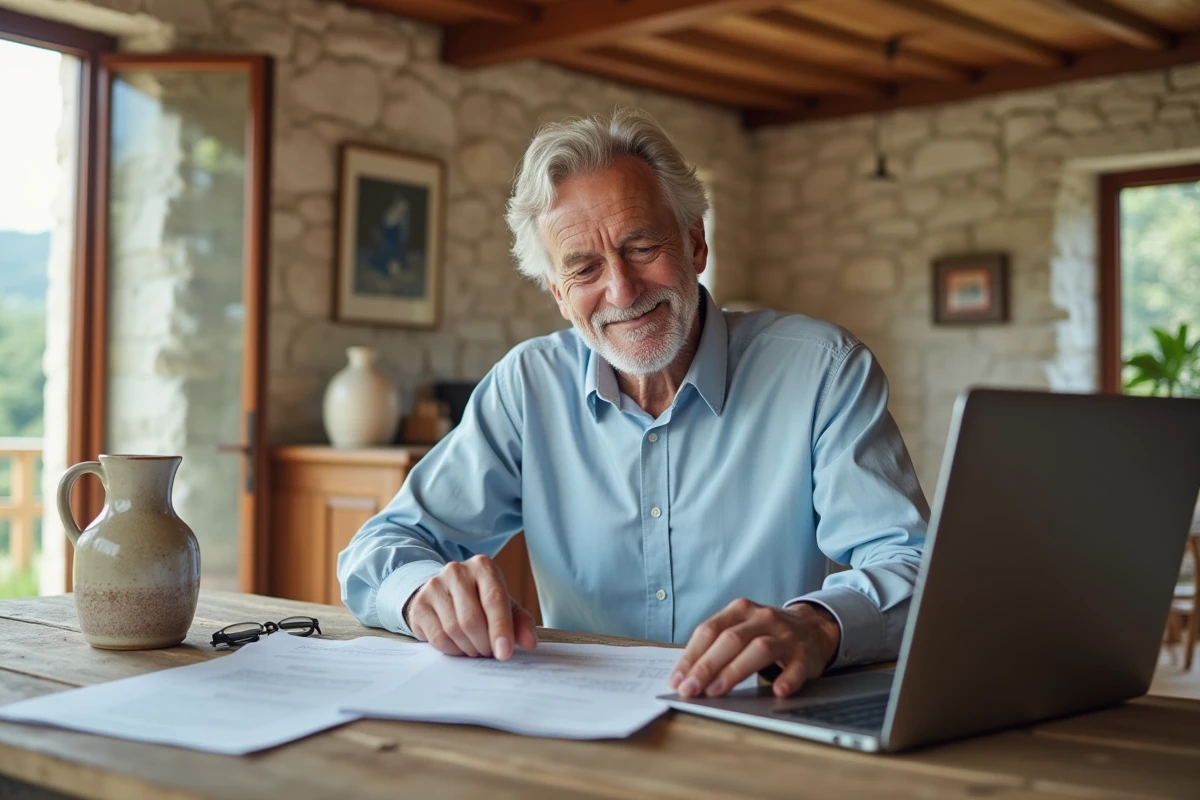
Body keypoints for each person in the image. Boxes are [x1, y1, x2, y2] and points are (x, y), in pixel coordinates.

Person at [338, 109, 928, 700]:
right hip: (577, 724)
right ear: (558, 294)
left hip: (762, 715)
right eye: (585, 268)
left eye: (642, 246)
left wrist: (817, 624)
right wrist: (421, 594)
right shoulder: (527, 386)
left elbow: (913, 563)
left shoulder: (822, 370)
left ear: (696, 242)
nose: (621, 291)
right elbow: (376, 550)